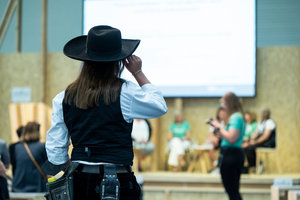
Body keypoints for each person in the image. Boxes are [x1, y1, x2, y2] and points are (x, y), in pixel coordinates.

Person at [45, 25, 167, 200]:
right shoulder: (126, 91)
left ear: (85, 60)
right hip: (118, 180)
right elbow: (159, 106)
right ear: (118, 61)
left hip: (79, 181)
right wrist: (138, 72)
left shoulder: (63, 97)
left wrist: (73, 168)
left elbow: (55, 151)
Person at [208, 92, 245, 200]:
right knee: (232, 191)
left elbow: (232, 138)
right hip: (232, 154)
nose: (222, 106)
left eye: (223, 103)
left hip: (231, 155)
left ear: (229, 103)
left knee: (232, 191)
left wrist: (217, 126)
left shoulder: (235, 117)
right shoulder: (236, 116)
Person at [12, 122, 47, 192]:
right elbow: (47, 166)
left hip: (18, 186)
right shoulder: (42, 146)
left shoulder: (17, 147)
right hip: (37, 185)